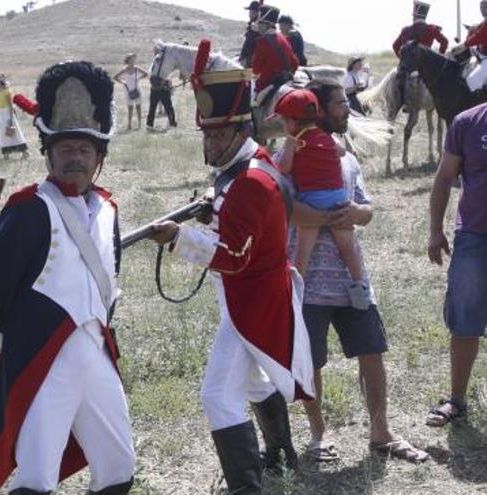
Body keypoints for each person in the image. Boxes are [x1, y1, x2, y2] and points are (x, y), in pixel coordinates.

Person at [149, 39, 314, 494]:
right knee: (258, 379)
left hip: (252, 299)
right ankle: (281, 455)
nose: (210, 142)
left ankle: (248, 487)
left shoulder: (249, 183)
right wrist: (210, 209)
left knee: (218, 397)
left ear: (243, 130)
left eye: (218, 135)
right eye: (206, 134)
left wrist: (180, 238)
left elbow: (236, 258)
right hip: (254, 294)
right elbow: (236, 217)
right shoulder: (250, 166)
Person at [0, 61, 136, 495]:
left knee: (118, 463)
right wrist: (12, 345)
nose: (75, 158)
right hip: (43, 356)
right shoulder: (28, 208)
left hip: (95, 349)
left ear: (99, 157)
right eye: (65, 149)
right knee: (36, 476)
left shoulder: (109, 209)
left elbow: (109, 278)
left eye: (85, 150)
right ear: (48, 153)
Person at [288, 80, 429, 463]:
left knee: (372, 351)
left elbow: (366, 210)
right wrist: (327, 217)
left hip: (353, 282)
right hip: (309, 285)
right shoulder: (292, 157)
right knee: (311, 361)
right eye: (338, 104)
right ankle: (318, 435)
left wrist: (353, 213)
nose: (347, 109)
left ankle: (380, 432)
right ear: (316, 109)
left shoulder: (347, 159)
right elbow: (283, 209)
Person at [273, 89, 370, 310]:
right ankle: (360, 285)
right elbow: (342, 151)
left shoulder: (294, 140)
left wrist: (291, 146)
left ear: (292, 122)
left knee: (303, 249)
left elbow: (284, 167)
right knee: (348, 245)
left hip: (311, 201)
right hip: (338, 198)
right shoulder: (326, 136)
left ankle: (297, 289)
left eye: (284, 122)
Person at [425, 99, 487, 428]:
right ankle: (457, 400)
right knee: (465, 321)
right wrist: (435, 231)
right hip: (475, 237)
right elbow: (445, 176)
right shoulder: (467, 121)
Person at [251, 4, 299, 106]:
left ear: (266, 25)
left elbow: (255, 69)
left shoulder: (262, 41)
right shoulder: (282, 38)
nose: (258, 26)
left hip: (267, 83)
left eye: (260, 23)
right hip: (285, 80)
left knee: (251, 104)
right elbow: (295, 63)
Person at [0, 73, 29, 158]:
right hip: (2, 113)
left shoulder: (7, 91)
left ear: (0, 81)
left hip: (7, 113)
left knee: (14, 132)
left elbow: (10, 105)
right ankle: (6, 153)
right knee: (4, 133)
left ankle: (24, 152)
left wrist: (11, 118)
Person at [455, 0, 487, 92]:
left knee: (472, 80)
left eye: (485, 7)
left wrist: (464, 45)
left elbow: (480, 36)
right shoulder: (483, 23)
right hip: (482, 58)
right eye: (481, 8)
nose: (482, 10)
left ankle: (479, 105)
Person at [113, 53, 149, 130]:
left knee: (138, 107)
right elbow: (115, 77)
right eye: (131, 60)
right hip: (128, 90)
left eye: (133, 60)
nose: (133, 61)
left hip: (137, 89)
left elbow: (146, 74)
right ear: (128, 61)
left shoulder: (136, 68)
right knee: (130, 108)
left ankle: (139, 124)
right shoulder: (124, 70)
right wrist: (123, 82)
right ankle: (129, 124)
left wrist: (139, 78)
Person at [146, 45, 177, 129]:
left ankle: (172, 123)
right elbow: (150, 74)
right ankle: (149, 125)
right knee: (152, 107)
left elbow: (169, 75)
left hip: (164, 88)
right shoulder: (154, 62)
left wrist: (166, 83)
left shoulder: (166, 63)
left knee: (168, 107)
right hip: (155, 88)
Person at [239, 1, 262, 68]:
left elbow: (251, 43)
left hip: (251, 59)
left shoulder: (257, 26)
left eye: (253, 12)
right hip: (248, 57)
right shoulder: (251, 25)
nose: (250, 14)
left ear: (258, 13)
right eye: (250, 11)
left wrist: (247, 58)